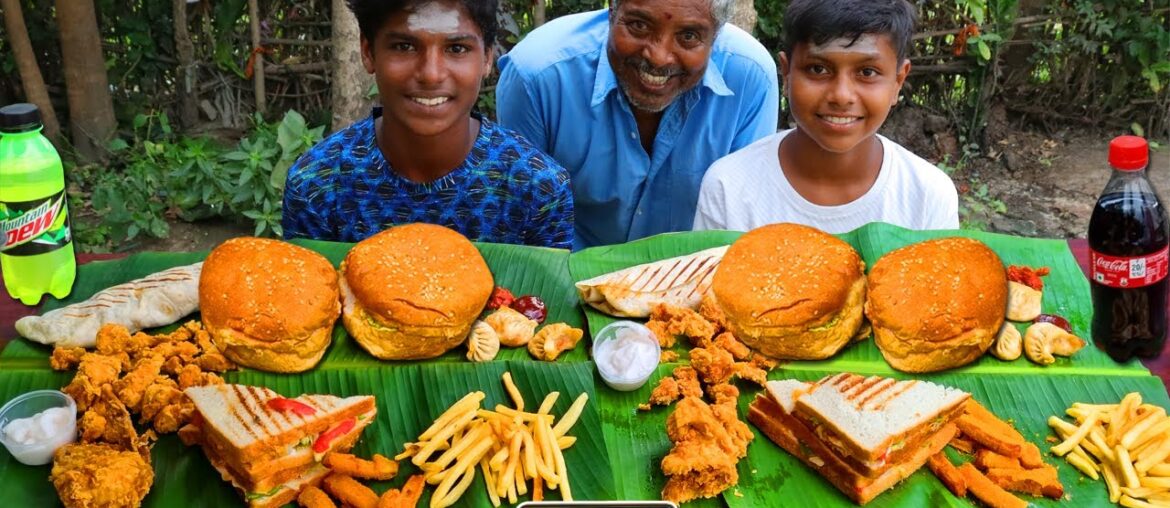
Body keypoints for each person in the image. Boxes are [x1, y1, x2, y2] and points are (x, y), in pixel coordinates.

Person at [282, 0, 573, 249]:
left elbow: (543, 306)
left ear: (487, 58)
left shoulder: (537, 188)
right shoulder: (318, 184)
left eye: (457, 48)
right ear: (368, 52)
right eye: (405, 46)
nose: (431, 74)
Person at [495, 0, 779, 249]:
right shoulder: (538, 77)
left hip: (694, 290)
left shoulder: (750, 79)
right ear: (611, 13)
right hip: (566, 285)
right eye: (639, 26)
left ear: (716, 35)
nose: (658, 57)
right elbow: (524, 225)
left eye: (689, 36)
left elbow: (740, 229)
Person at [692, 0, 959, 234]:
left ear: (898, 81)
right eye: (818, 69)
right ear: (786, 73)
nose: (841, 96)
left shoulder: (927, 195)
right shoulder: (728, 187)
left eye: (867, 72)